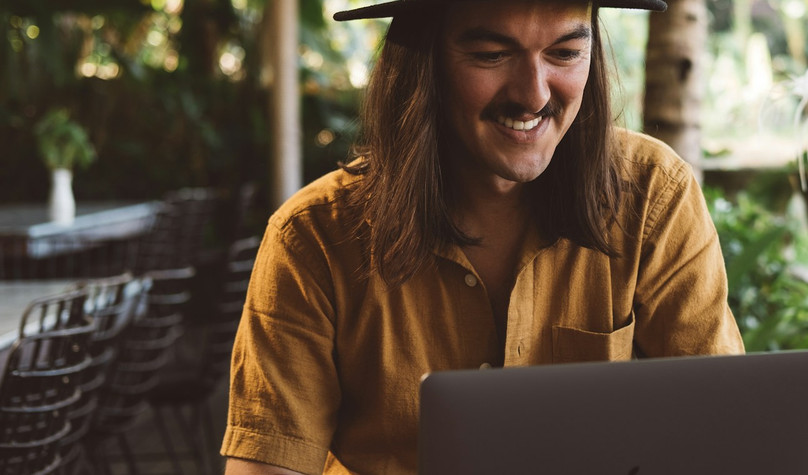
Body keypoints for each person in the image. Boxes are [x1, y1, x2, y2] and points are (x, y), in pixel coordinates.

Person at [221, 0, 744, 473]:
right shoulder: (311, 239)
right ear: (424, 65)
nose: (533, 94)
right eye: (492, 54)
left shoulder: (652, 194)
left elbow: (725, 434)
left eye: (564, 53)